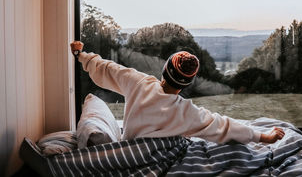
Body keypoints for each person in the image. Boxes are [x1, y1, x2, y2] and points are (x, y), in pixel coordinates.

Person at [70, 41, 285, 145]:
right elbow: (221, 125)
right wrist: (261, 136)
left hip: (130, 147)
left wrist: (81, 55)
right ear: (186, 85)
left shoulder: (138, 83)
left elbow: (108, 69)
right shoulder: (186, 111)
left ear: (164, 71)